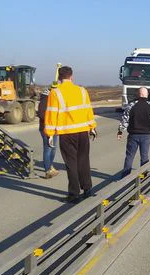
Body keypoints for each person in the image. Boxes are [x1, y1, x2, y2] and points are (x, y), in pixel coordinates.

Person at [44, 66, 97, 203]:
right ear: (71, 76)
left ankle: (74, 194)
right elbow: (88, 110)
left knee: (71, 164)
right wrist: (92, 127)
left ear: (59, 78)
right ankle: (88, 189)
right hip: (83, 132)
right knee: (84, 160)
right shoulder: (82, 91)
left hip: (67, 134)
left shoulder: (55, 93)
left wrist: (49, 134)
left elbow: (51, 113)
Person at [117, 87, 150, 178]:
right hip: (146, 136)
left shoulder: (131, 105)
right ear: (147, 95)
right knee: (144, 157)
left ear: (138, 94)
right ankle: (144, 175)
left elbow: (125, 120)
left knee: (129, 156)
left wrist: (120, 131)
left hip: (133, 135)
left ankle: (125, 176)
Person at [38, 88, 59, 179]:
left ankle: (50, 166)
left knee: (53, 148)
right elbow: (41, 114)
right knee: (48, 149)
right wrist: (50, 120)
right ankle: (47, 170)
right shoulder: (45, 100)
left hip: (53, 128)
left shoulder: (51, 99)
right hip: (46, 129)